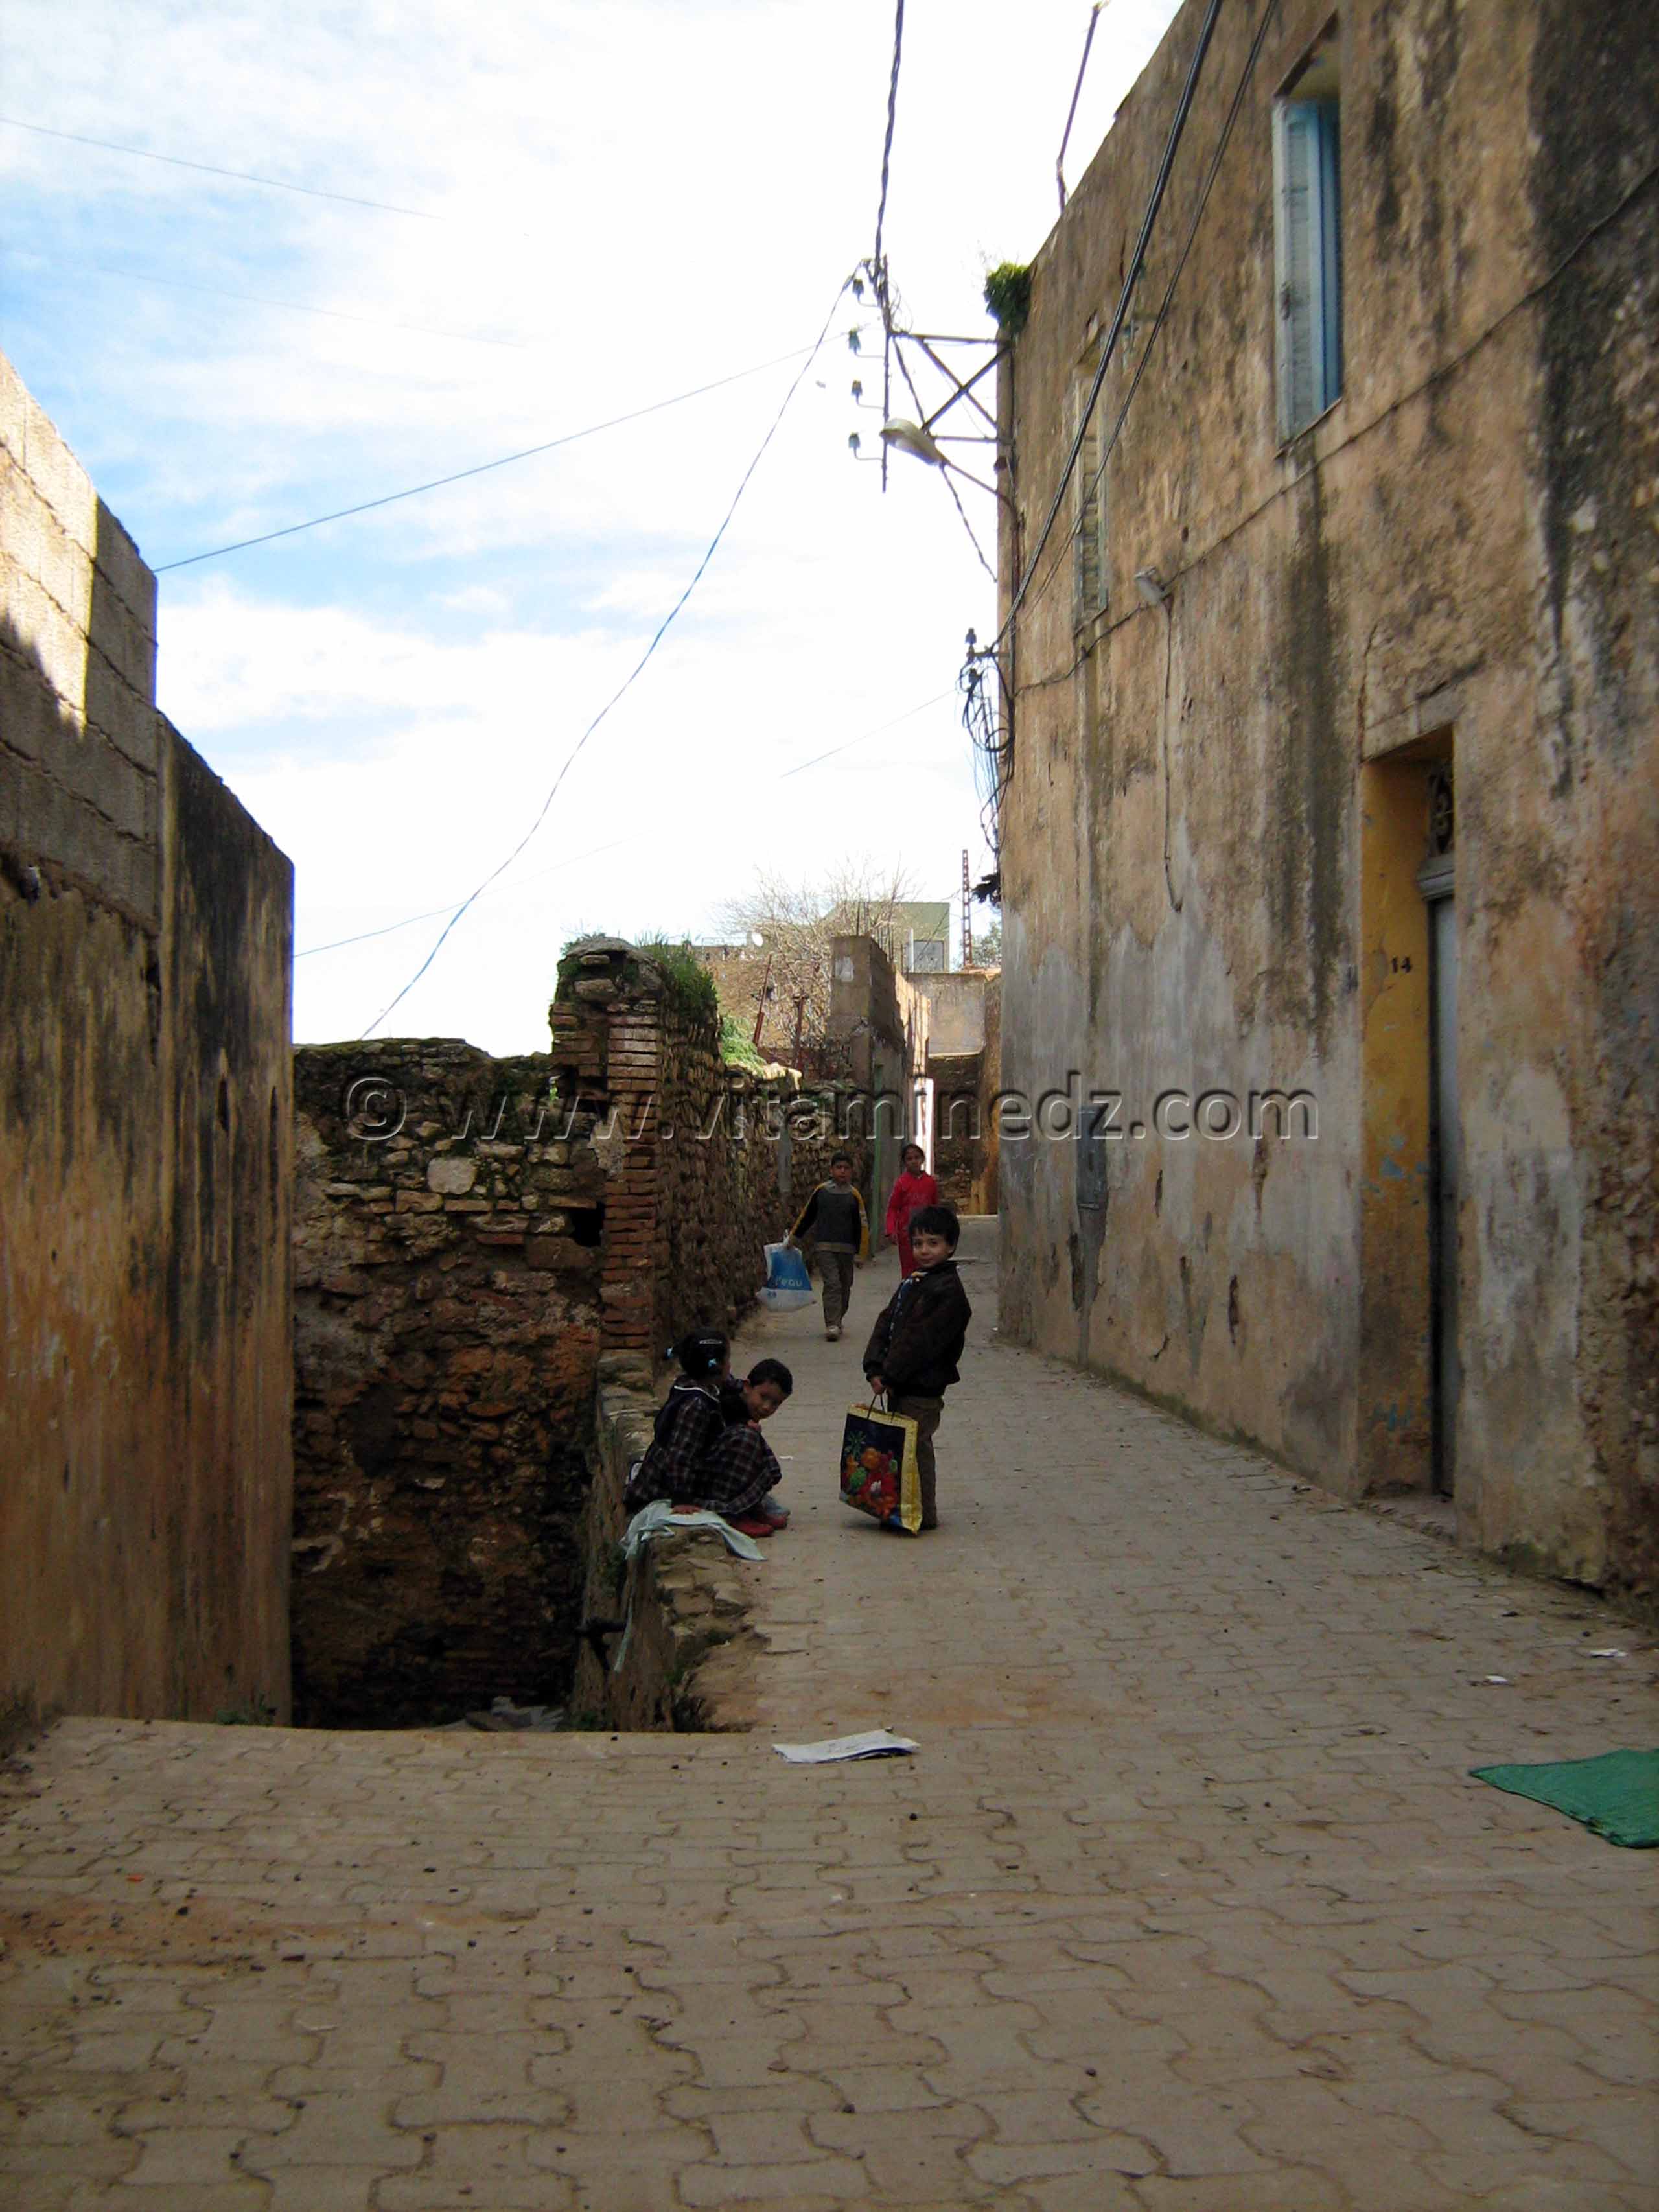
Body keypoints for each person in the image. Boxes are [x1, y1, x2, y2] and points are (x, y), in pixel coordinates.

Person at [862, 1205, 970, 1533]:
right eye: (919, 1243)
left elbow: (921, 1342)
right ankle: (902, 1507)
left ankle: (922, 1512)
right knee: (903, 1448)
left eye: (933, 1243)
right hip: (900, 1383)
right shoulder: (914, 1283)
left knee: (916, 1447)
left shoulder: (949, 1293)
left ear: (950, 1246)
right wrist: (874, 1366)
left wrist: (890, 1373)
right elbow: (888, 1321)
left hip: (923, 1387)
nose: (925, 1251)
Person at [627, 1329, 785, 1537]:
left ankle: (751, 1505)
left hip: (689, 1468)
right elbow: (681, 1454)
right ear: (717, 1367)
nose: (730, 1367)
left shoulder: (702, 1384)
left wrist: (751, 1391)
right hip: (667, 1482)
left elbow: (734, 1385)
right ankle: (733, 1511)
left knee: (749, 1432)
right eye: (727, 1361)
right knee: (743, 1439)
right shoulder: (696, 1404)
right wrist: (682, 1498)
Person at [788, 1152, 869, 1342]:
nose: (842, 1172)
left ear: (851, 1172)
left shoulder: (854, 1196)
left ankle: (838, 1317)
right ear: (831, 1170)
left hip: (847, 1249)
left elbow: (862, 1226)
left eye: (846, 1168)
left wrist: (861, 1253)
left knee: (845, 1285)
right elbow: (808, 1215)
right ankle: (831, 1324)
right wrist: (794, 1237)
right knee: (832, 1284)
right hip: (824, 1246)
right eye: (839, 1168)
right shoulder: (821, 1192)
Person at [726, 1358, 795, 1528]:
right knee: (748, 1439)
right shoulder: (727, 1403)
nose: (767, 1407)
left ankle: (753, 1503)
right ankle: (738, 1511)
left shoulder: (746, 1409)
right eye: (763, 1397)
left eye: (775, 1403)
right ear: (748, 1387)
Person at [883, 1141, 940, 1277]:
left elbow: (935, 1206)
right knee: (909, 1268)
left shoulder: (930, 1182)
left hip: (928, 1230)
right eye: (909, 1159)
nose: (914, 1161)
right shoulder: (902, 1183)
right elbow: (893, 1208)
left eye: (917, 1158)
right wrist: (891, 1230)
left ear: (922, 1159)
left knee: (928, 1263)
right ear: (905, 1162)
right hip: (907, 1233)